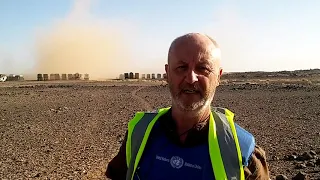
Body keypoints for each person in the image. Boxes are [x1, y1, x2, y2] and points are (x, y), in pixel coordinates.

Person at [106, 33, 270, 180]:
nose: (191, 78)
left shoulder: (242, 150)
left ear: (218, 77)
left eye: (203, 68)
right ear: (167, 73)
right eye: (181, 67)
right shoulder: (139, 134)